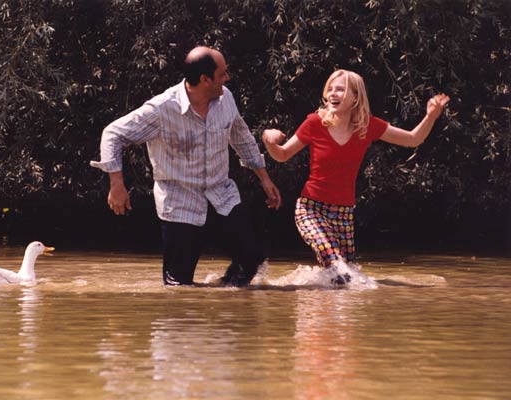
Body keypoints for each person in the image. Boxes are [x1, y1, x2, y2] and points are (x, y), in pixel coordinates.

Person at [91, 46, 281, 286]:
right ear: (205, 80)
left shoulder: (226, 99)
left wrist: (264, 178)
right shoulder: (162, 109)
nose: (228, 78)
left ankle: (227, 305)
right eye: (223, 73)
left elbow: (241, 136)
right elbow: (113, 133)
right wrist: (116, 184)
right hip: (180, 204)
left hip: (221, 196)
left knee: (252, 258)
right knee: (178, 285)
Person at [262, 69, 449, 283]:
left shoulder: (367, 126)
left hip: (344, 213)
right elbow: (283, 154)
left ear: (355, 97)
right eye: (330, 89)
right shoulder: (315, 123)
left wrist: (430, 117)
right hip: (311, 208)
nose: (332, 93)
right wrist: (268, 141)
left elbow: (412, 139)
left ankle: (321, 307)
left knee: (344, 276)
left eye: (340, 89)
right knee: (336, 265)